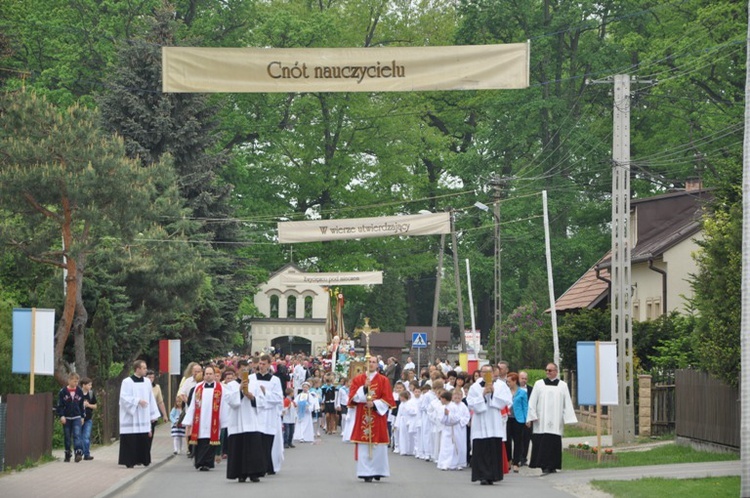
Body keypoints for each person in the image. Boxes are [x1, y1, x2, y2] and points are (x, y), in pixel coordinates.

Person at [348, 355, 396, 483]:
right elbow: (353, 397)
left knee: (378, 445)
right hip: (363, 414)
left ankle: (378, 470)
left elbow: (388, 399)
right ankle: (365, 472)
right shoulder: (359, 379)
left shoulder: (383, 380)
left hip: (377, 415)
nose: (372, 364)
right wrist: (364, 388)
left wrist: (375, 404)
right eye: (370, 362)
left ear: (377, 365)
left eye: (374, 362)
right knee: (364, 445)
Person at [526, 363, 577, 475]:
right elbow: (532, 402)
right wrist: (531, 416)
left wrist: (569, 418)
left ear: (556, 371)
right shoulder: (539, 384)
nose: (547, 372)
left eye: (550, 370)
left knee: (554, 442)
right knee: (542, 442)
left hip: (556, 420)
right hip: (541, 421)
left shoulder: (562, 385)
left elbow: (567, 402)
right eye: (546, 370)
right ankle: (544, 465)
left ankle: (553, 465)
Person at [466, 364, 512, 485]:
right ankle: (482, 476)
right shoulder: (475, 387)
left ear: (493, 373)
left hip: (494, 421)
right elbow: (470, 403)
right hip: (480, 422)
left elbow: (507, 401)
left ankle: (493, 475)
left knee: (493, 448)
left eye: (489, 372)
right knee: (481, 448)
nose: (487, 374)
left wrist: (493, 393)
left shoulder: (500, 385)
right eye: (484, 372)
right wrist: (482, 394)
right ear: (480, 373)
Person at [225, 360, 267, 483]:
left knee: (253, 448)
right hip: (237, 422)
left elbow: (262, 402)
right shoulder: (231, 385)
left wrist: (252, 397)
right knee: (239, 448)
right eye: (242, 369)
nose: (244, 372)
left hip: (251, 420)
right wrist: (240, 391)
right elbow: (231, 401)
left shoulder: (254, 384)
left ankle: (254, 473)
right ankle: (240, 474)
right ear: (237, 370)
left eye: (246, 370)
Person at [184, 365, 228, 471]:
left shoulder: (221, 388)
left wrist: (224, 421)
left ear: (214, 375)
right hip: (200, 420)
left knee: (210, 442)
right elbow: (193, 405)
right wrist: (189, 420)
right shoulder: (198, 387)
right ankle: (199, 462)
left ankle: (207, 463)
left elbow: (224, 405)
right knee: (200, 441)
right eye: (206, 374)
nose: (208, 376)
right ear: (203, 375)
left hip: (213, 420)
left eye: (210, 374)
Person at [119, 360, 160, 468]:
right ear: (137, 369)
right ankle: (130, 461)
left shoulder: (147, 382)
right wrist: (137, 401)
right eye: (144, 368)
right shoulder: (127, 382)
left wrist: (153, 415)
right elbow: (123, 398)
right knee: (131, 440)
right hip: (131, 417)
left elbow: (150, 398)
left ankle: (144, 460)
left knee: (143, 439)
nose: (146, 370)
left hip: (143, 415)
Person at [252, 354, 284, 474]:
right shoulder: (252, 378)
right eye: (260, 363)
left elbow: (278, 398)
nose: (261, 366)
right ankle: (257, 466)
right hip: (255, 413)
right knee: (256, 442)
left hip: (269, 415)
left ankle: (267, 466)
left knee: (267, 442)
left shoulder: (275, 380)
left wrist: (266, 392)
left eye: (264, 364)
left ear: (269, 365)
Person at [436, 389, 470, 470]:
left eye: (459, 396)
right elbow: (441, 419)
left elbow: (465, 416)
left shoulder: (463, 406)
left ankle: (458, 463)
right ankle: (445, 463)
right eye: (455, 396)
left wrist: (452, 416)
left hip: (458, 428)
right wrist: (445, 415)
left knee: (458, 446)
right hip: (447, 428)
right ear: (452, 397)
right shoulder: (447, 406)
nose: (457, 397)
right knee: (446, 447)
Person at [57, 372, 85, 463]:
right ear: (69, 380)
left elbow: (82, 405)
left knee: (77, 434)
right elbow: (60, 405)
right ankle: (68, 453)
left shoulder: (79, 391)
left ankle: (78, 453)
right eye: (74, 381)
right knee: (67, 436)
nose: (75, 383)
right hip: (67, 417)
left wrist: (82, 416)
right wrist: (61, 415)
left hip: (77, 416)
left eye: (77, 382)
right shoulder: (63, 392)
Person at [506, 372, 528, 472]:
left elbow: (525, 407)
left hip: (518, 419)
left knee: (518, 441)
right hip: (507, 418)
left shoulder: (522, 392)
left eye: (509, 381)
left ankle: (516, 462)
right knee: (507, 441)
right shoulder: (505, 391)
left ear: (515, 381)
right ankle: (509, 460)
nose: (508, 383)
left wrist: (527, 419)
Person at [146, 370, 169, 453]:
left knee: (150, 435)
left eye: (152, 377)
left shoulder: (156, 387)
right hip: (143, 414)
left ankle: (147, 452)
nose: (151, 379)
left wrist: (165, 415)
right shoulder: (142, 386)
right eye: (149, 377)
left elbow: (160, 402)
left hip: (152, 415)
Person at [518, 370, 533, 466]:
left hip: (528, 417)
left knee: (526, 438)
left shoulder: (531, 389)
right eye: (522, 378)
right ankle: (517, 457)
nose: (524, 380)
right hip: (518, 417)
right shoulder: (515, 389)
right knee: (518, 438)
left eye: (525, 378)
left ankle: (524, 458)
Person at [80, 377, 97, 461]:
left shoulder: (91, 394)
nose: (90, 386)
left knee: (86, 436)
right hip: (78, 419)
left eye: (91, 385)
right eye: (89, 385)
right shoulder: (78, 394)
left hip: (88, 419)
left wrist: (88, 405)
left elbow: (95, 406)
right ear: (83, 385)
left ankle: (86, 454)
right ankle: (79, 452)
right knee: (79, 437)